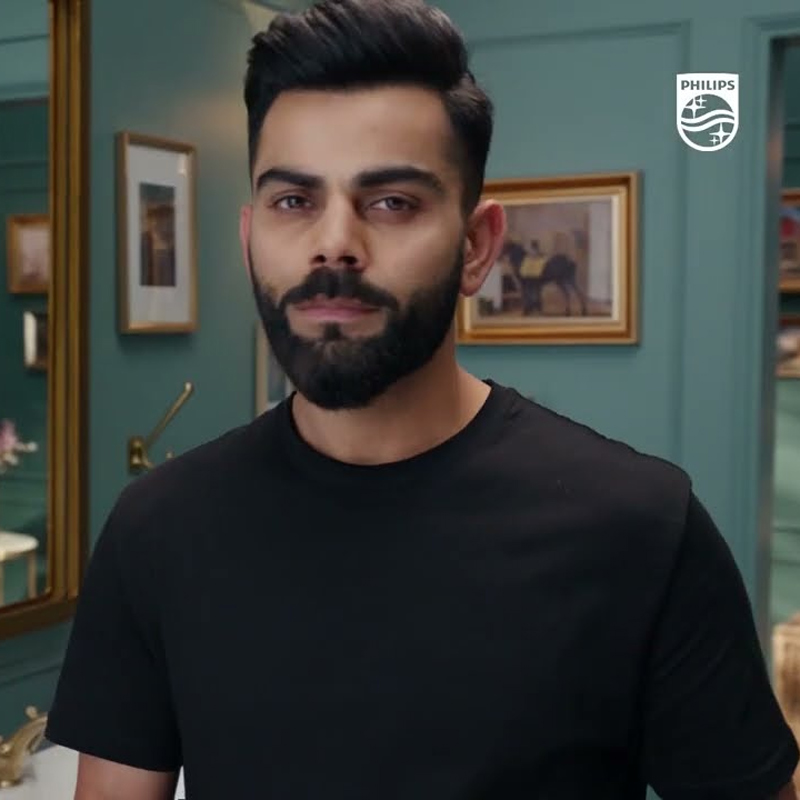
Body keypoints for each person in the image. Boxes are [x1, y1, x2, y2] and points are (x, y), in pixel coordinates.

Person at [45, 1, 799, 798]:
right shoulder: (158, 529)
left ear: (477, 247)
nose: (334, 244)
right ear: (248, 236)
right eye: (293, 201)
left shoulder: (641, 529)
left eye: (391, 202)